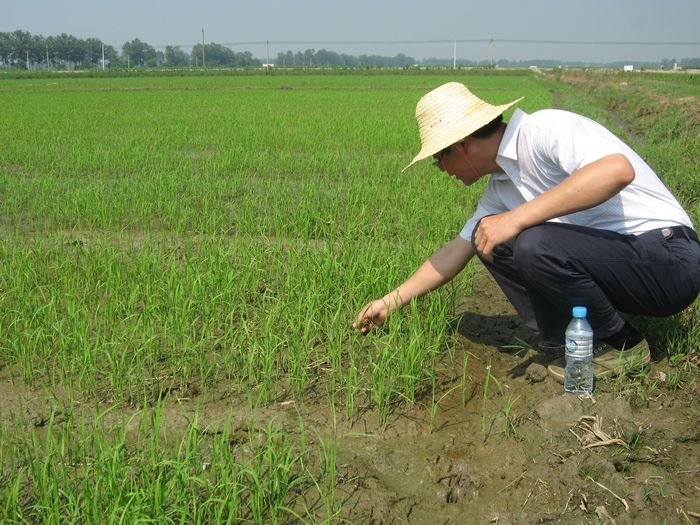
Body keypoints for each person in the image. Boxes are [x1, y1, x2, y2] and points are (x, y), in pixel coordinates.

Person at [353, 81, 700, 382]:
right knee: (486, 236)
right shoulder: (501, 187)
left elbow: (617, 170)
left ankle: (624, 346)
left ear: (460, 145)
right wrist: (390, 302)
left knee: (532, 241)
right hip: (627, 267)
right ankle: (578, 341)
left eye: (438, 159)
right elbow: (455, 251)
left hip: (670, 260)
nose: (441, 169)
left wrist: (517, 219)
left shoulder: (543, 129)